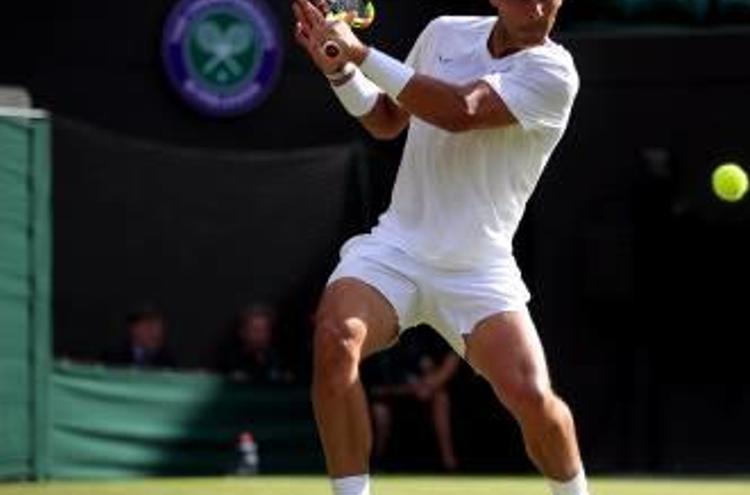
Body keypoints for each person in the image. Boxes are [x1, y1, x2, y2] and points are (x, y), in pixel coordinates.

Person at [292, 1, 587, 494]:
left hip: (479, 268)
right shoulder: (444, 34)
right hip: (396, 249)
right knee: (335, 339)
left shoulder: (554, 74)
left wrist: (359, 52)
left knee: (533, 398)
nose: (535, 6)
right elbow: (387, 119)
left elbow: (460, 111)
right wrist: (340, 71)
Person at [363, 327, 460, 471]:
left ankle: (449, 463)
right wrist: (410, 388)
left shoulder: (423, 334)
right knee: (380, 412)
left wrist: (430, 384)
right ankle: (373, 464)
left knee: (441, 398)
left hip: (420, 390)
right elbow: (377, 388)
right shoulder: (379, 338)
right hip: (385, 394)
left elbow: (447, 359)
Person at [221, 303, 290, 383]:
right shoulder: (230, 360)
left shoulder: (278, 361)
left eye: (264, 330)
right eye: (255, 330)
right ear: (242, 332)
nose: (260, 335)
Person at [102, 304, 178, 369]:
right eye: (149, 327)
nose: (156, 333)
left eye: (159, 327)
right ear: (134, 329)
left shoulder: (168, 360)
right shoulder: (113, 357)